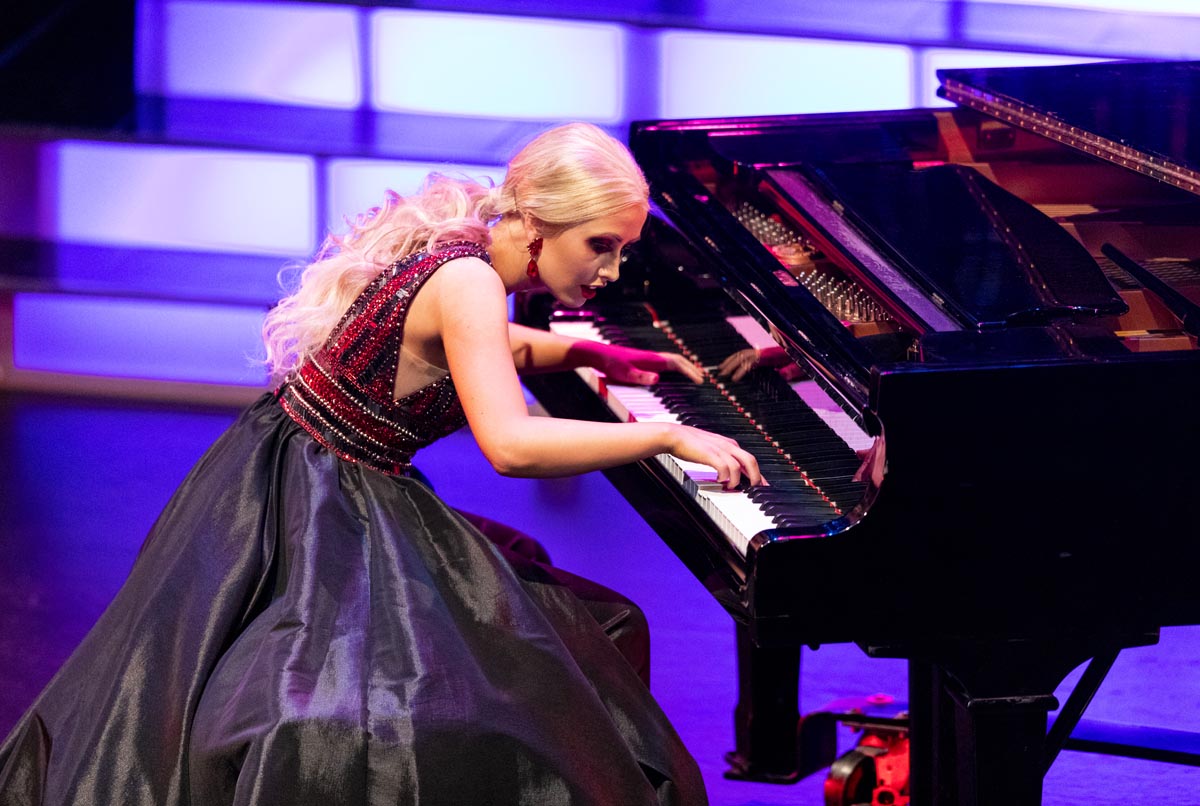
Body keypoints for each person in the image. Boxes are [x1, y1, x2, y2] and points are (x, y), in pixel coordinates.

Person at [0, 122, 762, 806]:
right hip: (324, 507)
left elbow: (489, 347)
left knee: (563, 630)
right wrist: (667, 439)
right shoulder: (469, 280)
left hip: (301, 473)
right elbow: (512, 445)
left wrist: (596, 353)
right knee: (530, 675)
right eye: (602, 244)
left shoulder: (467, 248)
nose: (614, 271)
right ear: (536, 221)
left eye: (623, 248)